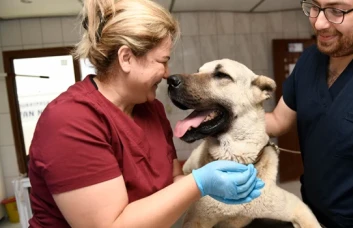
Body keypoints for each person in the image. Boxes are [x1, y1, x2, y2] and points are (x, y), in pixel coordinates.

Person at [27, 0, 264, 227]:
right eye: (162, 61)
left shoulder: (151, 109)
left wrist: (214, 187)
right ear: (126, 58)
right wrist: (199, 182)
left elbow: (171, 183)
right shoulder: (69, 121)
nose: (166, 73)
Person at [265, 0, 353, 227]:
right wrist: (219, 119)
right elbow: (278, 121)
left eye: (337, 10)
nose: (319, 23)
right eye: (313, 6)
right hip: (312, 218)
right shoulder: (309, 61)